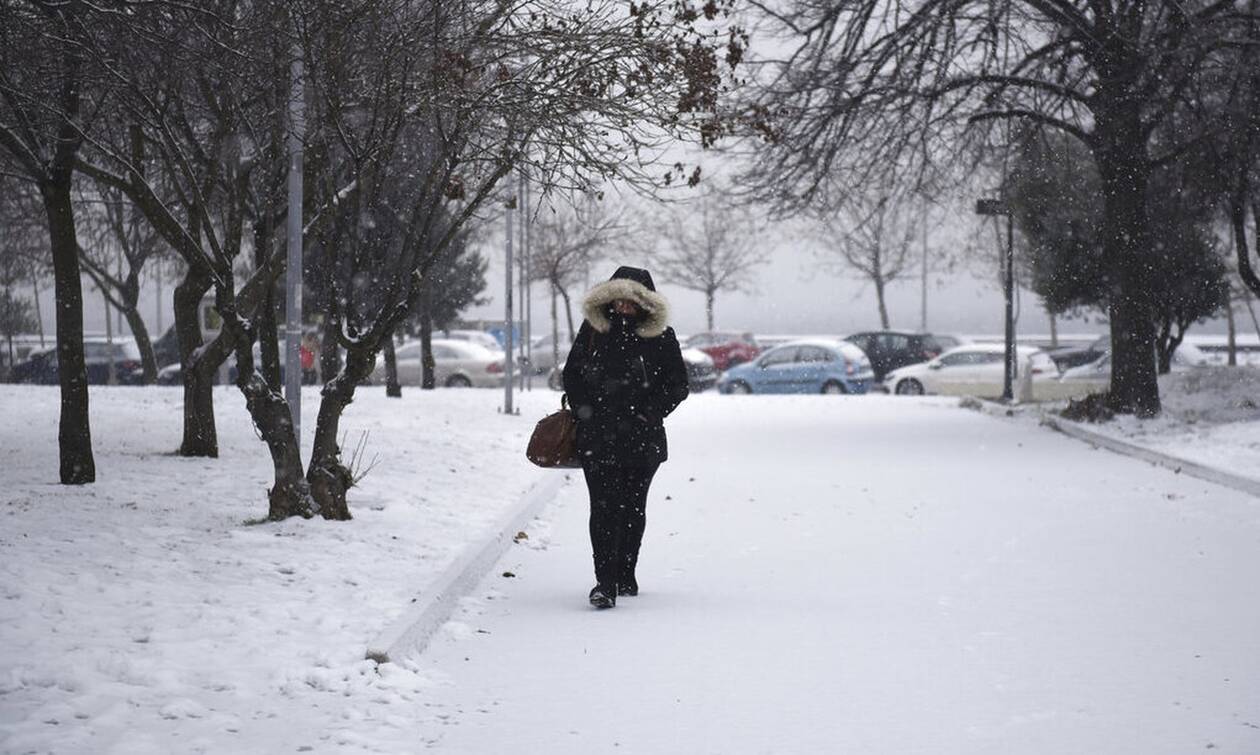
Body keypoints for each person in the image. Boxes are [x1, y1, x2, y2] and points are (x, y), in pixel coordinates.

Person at [562, 266, 690, 609]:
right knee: (603, 508)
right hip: (597, 438)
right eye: (618, 300)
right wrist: (585, 410)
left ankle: (625, 573)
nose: (623, 307)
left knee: (633, 509)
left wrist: (650, 411)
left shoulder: (660, 335)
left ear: (645, 303)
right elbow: (572, 374)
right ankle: (604, 582)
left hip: (642, 439)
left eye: (631, 301)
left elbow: (678, 385)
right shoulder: (593, 330)